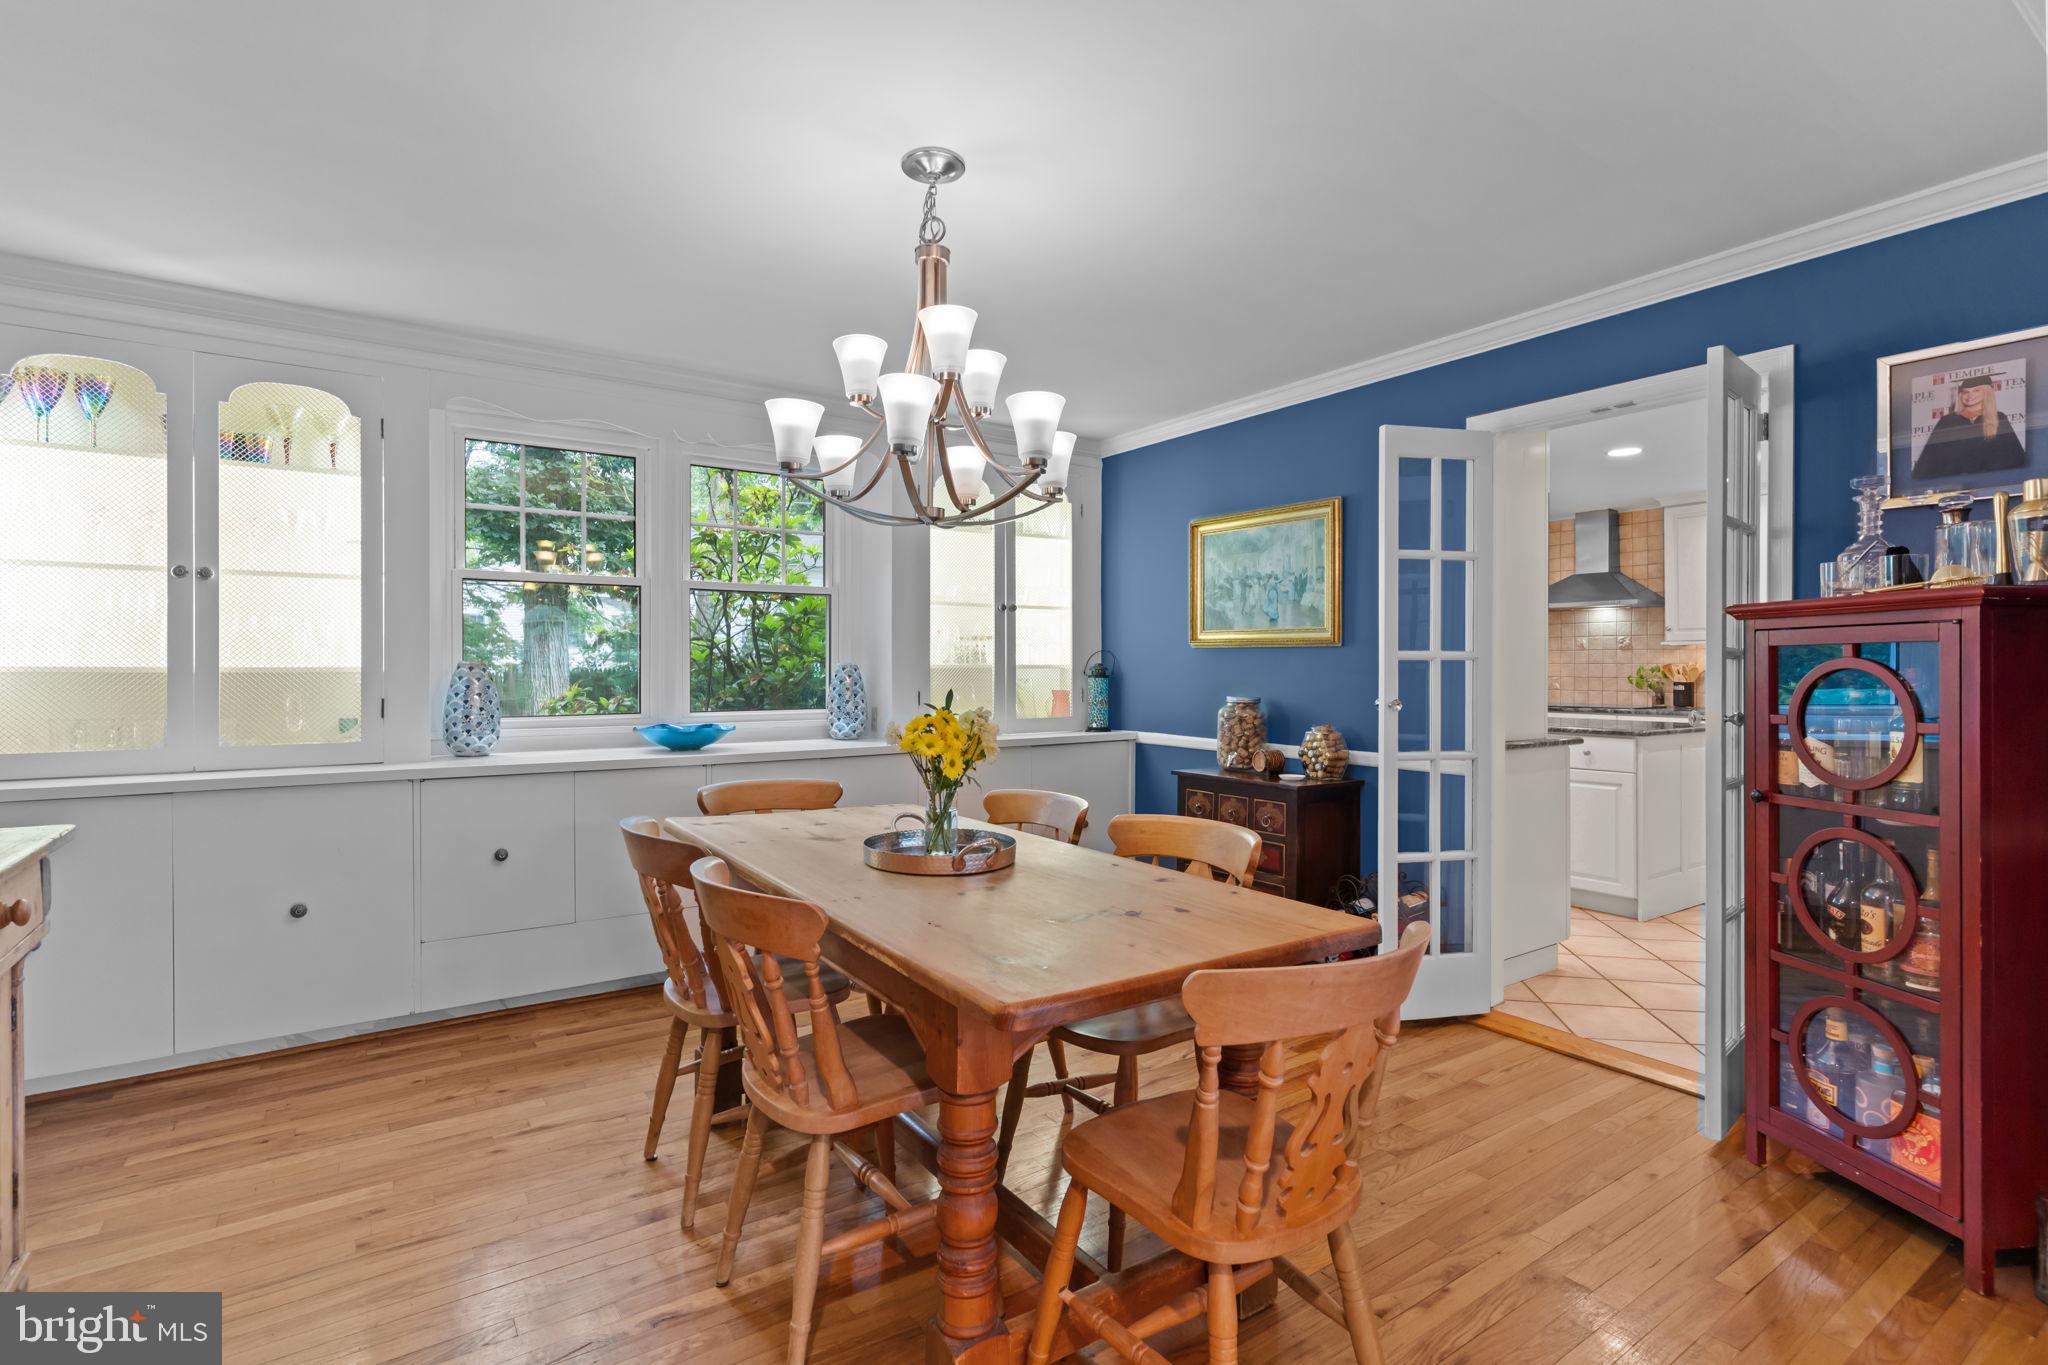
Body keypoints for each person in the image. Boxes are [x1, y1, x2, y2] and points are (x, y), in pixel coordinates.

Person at [1912, 372, 2027, 480]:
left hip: (1990, 484)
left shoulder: (1999, 419)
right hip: (1955, 487)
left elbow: (2014, 458)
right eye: (1966, 392)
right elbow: (1929, 460)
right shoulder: (1947, 422)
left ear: (1987, 393)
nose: (1970, 395)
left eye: (1976, 390)